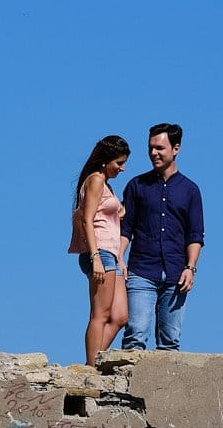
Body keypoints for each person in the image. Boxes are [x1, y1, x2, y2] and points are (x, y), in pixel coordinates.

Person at [119, 123, 203, 351]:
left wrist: (190, 268)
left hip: (176, 274)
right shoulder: (136, 186)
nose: (153, 153)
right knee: (135, 333)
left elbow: (195, 234)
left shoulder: (190, 190)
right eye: (150, 148)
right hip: (141, 272)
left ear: (176, 149)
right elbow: (126, 228)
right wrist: (119, 258)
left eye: (159, 148)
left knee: (170, 341)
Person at [68, 135, 130, 366]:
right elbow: (87, 219)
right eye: (119, 163)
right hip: (99, 252)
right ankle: (91, 369)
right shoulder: (95, 180)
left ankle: (92, 363)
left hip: (111, 254)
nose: (122, 168)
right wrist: (95, 257)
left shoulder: (107, 185)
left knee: (120, 316)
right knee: (100, 315)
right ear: (106, 160)